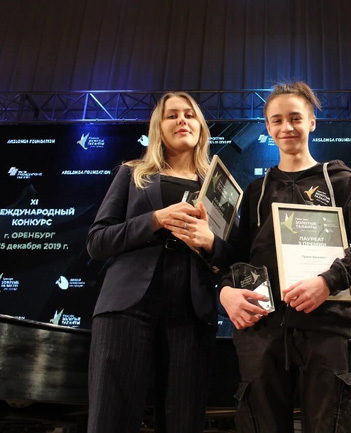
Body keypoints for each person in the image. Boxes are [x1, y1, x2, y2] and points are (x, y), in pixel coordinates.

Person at [218, 81, 351, 433]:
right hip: (262, 330)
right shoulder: (255, 191)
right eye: (276, 120)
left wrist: (328, 281)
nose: (286, 127)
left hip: (324, 326)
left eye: (295, 118)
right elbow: (233, 258)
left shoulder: (340, 181)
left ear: (311, 122)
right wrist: (225, 292)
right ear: (267, 128)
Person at [86, 92, 233, 433]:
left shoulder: (220, 190)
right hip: (126, 308)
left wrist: (210, 242)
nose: (182, 120)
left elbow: (231, 259)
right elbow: (97, 242)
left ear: (201, 127)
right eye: (172, 115)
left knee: (183, 421)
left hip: (191, 313)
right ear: (158, 128)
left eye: (190, 114)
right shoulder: (131, 174)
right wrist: (155, 219)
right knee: (111, 418)